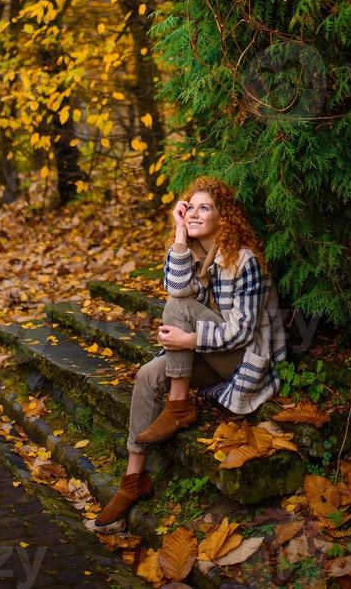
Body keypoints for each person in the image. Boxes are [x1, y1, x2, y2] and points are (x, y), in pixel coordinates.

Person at [94, 176, 286, 527]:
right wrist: (180, 235)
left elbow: (242, 331)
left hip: (244, 358)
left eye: (204, 208)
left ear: (223, 217)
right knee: (148, 375)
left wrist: (188, 342)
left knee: (177, 307)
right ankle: (134, 477)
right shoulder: (197, 253)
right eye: (190, 207)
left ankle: (180, 404)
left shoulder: (246, 262)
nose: (194, 213)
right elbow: (175, 283)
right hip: (214, 353)